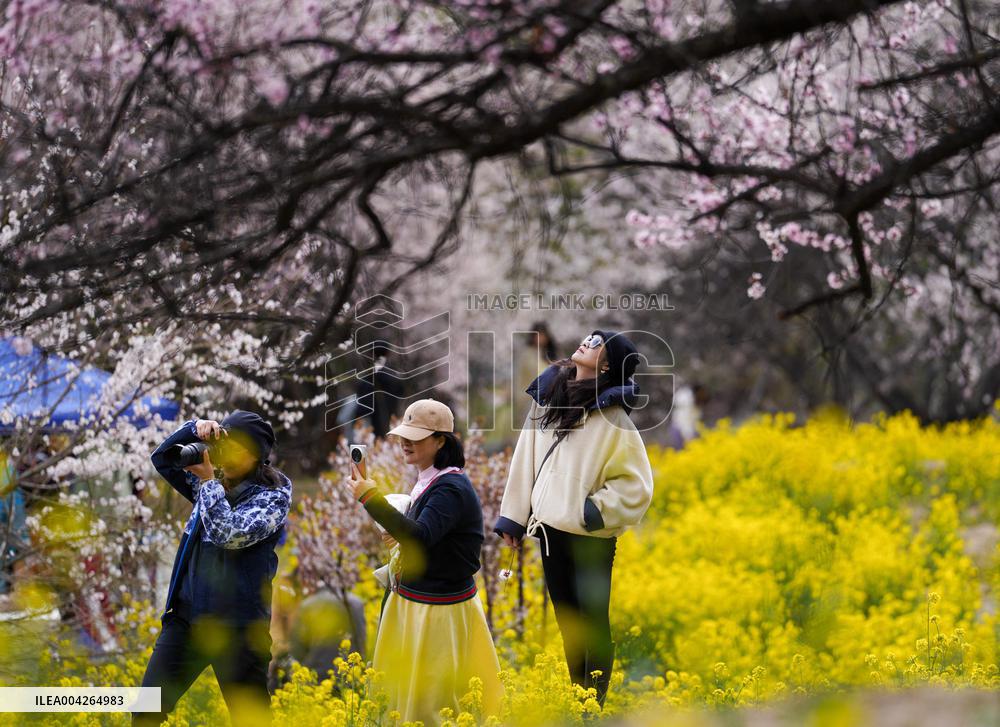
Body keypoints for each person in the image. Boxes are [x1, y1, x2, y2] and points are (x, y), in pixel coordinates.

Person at [493, 330, 655, 708]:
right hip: (550, 533)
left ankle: (592, 708)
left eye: (598, 343)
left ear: (609, 364)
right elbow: (525, 459)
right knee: (569, 626)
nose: (587, 341)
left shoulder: (614, 418)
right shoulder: (548, 399)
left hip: (590, 539)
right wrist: (514, 519)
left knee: (593, 626)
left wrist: (592, 513)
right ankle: (576, 700)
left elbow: (637, 486)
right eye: (589, 337)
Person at [342, 398, 503, 724]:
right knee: (411, 698)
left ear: (441, 440)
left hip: (437, 610)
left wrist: (369, 497)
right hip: (421, 602)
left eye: (415, 437)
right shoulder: (432, 479)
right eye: (404, 435)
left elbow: (419, 537)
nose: (404, 443)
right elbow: (425, 535)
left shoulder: (450, 487)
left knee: (433, 703)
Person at [133, 410, 292, 727]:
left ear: (257, 455)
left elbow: (228, 534)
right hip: (187, 621)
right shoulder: (213, 479)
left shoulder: (273, 496)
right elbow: (162, 459)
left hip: (238, 630)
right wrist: (195, 429)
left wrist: (208, 483)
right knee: (146, 713)